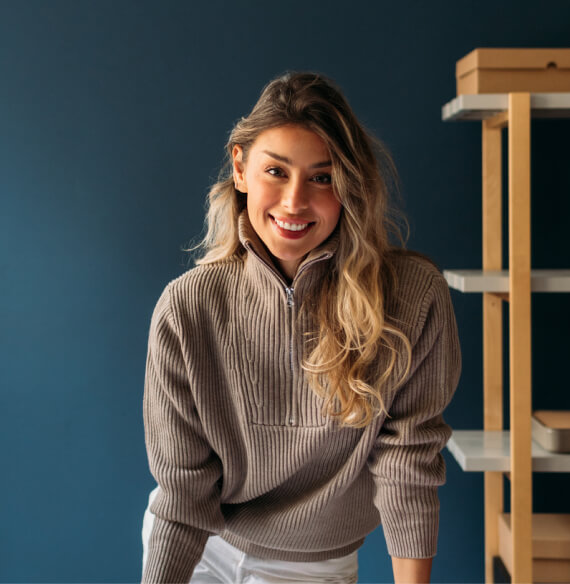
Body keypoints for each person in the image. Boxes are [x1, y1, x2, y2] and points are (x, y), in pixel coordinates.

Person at [141, 71, 461, 584]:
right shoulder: (187, 309)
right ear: (240, 167)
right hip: (203, 546)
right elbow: (183, 491)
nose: (294, 201)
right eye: (276, 171)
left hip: (313, 566)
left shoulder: (412, 297)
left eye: (321, 177)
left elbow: (409, 464)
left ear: (349, 186)